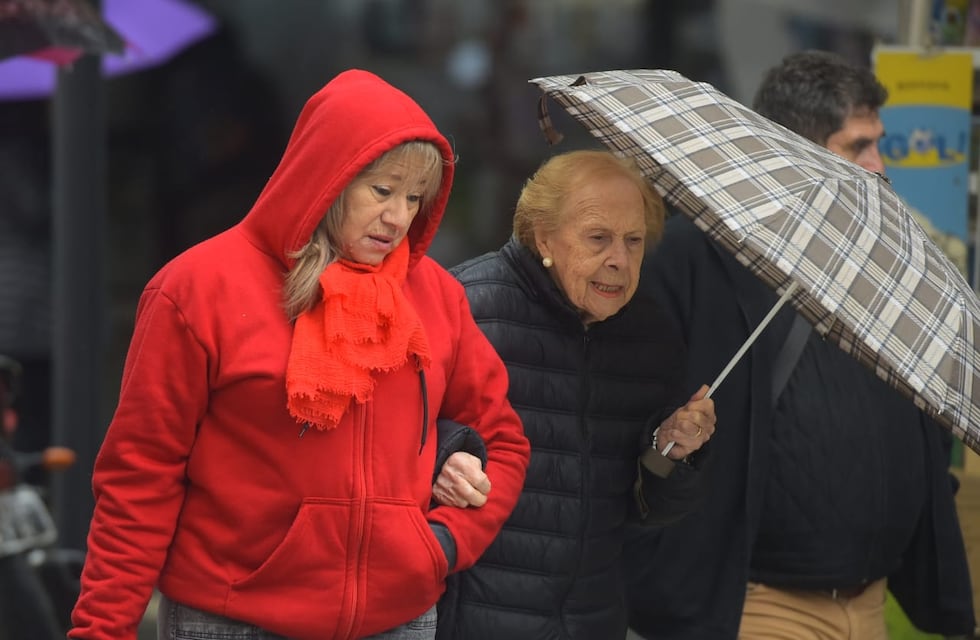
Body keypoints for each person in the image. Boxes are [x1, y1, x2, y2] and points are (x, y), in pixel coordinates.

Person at [67, 69, 531, 640]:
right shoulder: (197, 289)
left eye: (415, 198)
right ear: (326, 178)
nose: (398, 217)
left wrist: (442, 542)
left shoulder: (434, 295)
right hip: (232, 619)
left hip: (399, 619)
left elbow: (504, 438)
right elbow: (140, 477)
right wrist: (102, 630)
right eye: (381, 191)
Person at [624, 50, 975, 639]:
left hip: (870, 603)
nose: (880, 167)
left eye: (878, 143)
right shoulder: (694, 259)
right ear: (797, 150)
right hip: (759, 605)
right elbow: (635, 427)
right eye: (858, 146)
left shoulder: (884, 264)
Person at [443, 149, 716, 639]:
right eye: (598, 238)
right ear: (543, 235)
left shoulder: (650, 334)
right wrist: (444, 457)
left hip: (592, 619)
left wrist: (669, 451)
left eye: (634, 241)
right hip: (473, 618)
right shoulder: (465, 306)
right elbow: (395, 447)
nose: (619, 259)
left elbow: (649, 511)